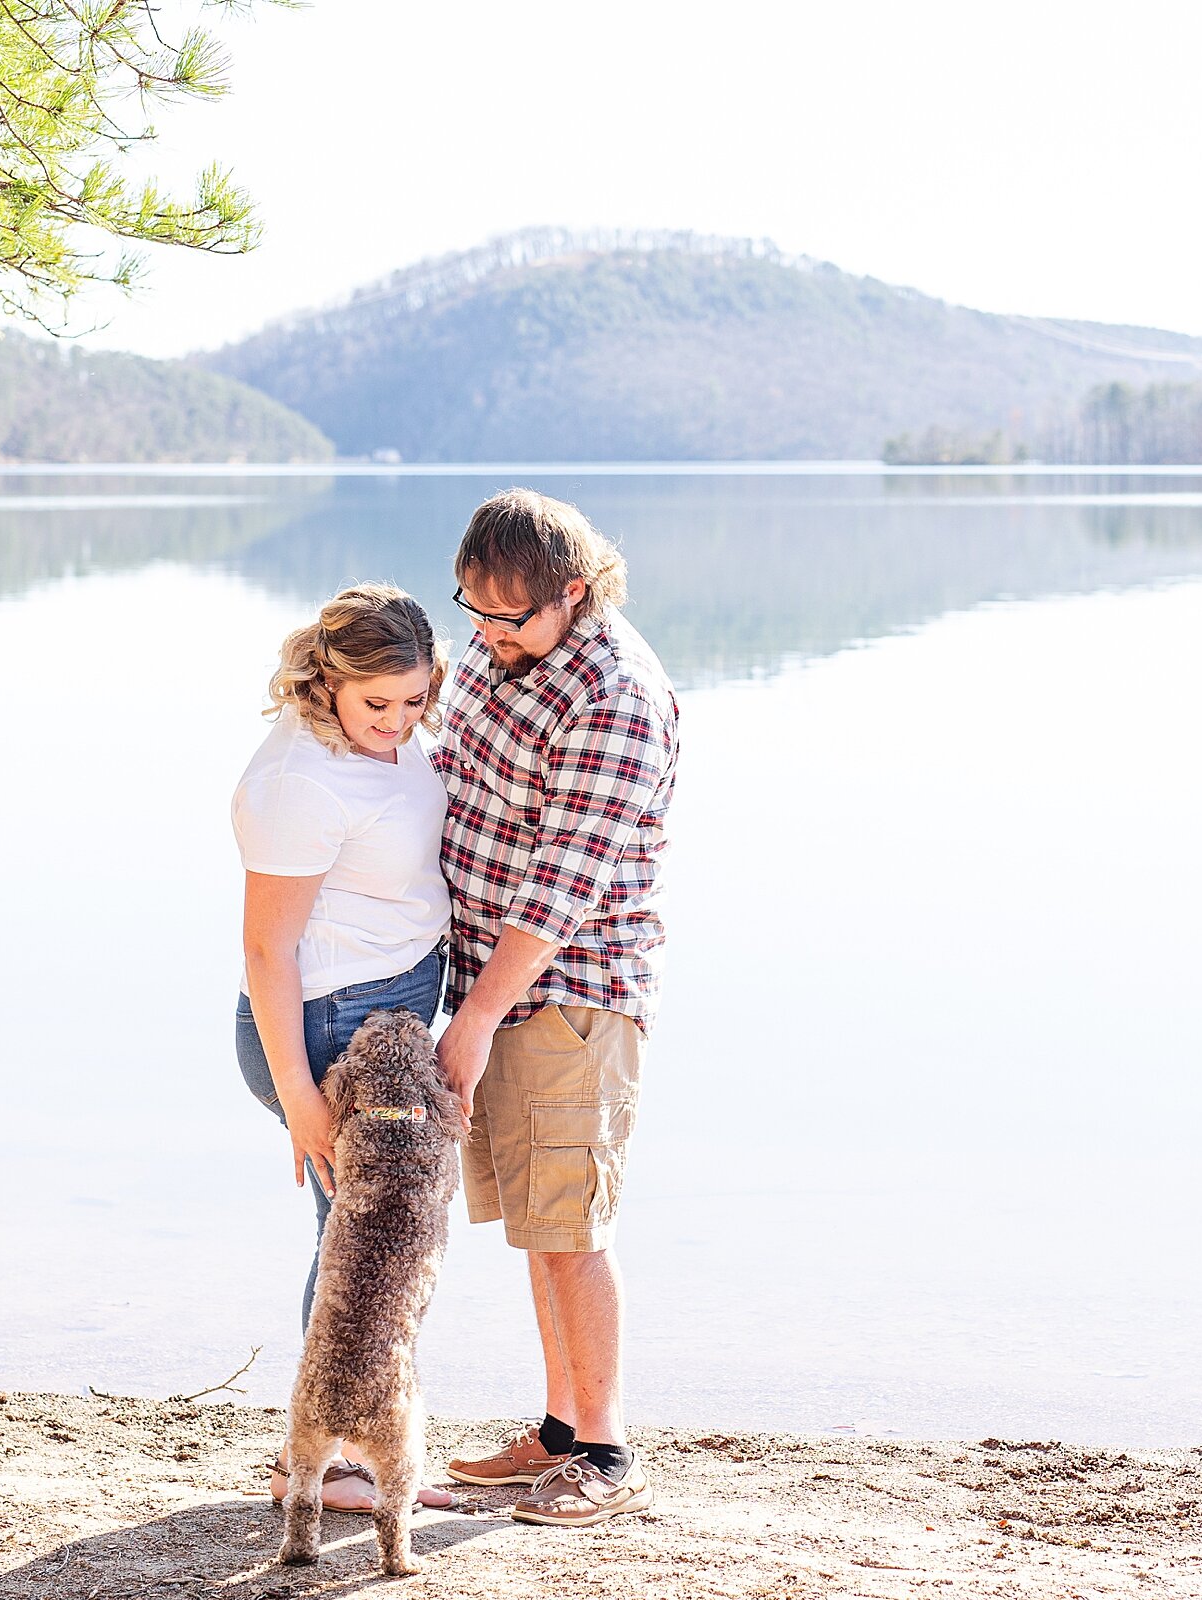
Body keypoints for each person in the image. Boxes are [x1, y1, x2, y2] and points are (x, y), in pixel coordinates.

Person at [433, 490, 681, 1527]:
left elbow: (561, 885)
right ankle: (557, 1432)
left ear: (571, 593)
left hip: (568, 992)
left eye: (508, 618)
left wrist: (478, 1017)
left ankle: (608, 1451)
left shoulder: (616, 693)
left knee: (574, 1224)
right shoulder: (510, 651)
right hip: (492, 984)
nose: (487, 636)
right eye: (475, 613)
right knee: (539, 1225)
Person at [232, 582, 458, 1513]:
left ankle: (337, 1457)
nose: (400, 722)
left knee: (370, 1246)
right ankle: (326, 1465)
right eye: (379, 703)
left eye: (416, 700)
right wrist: (301, 1097)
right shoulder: (299, 781)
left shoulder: (375, 740)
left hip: (385, 1011)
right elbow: (266, 949)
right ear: (324, 682)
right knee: (361, 1250)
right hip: (325, 1028)